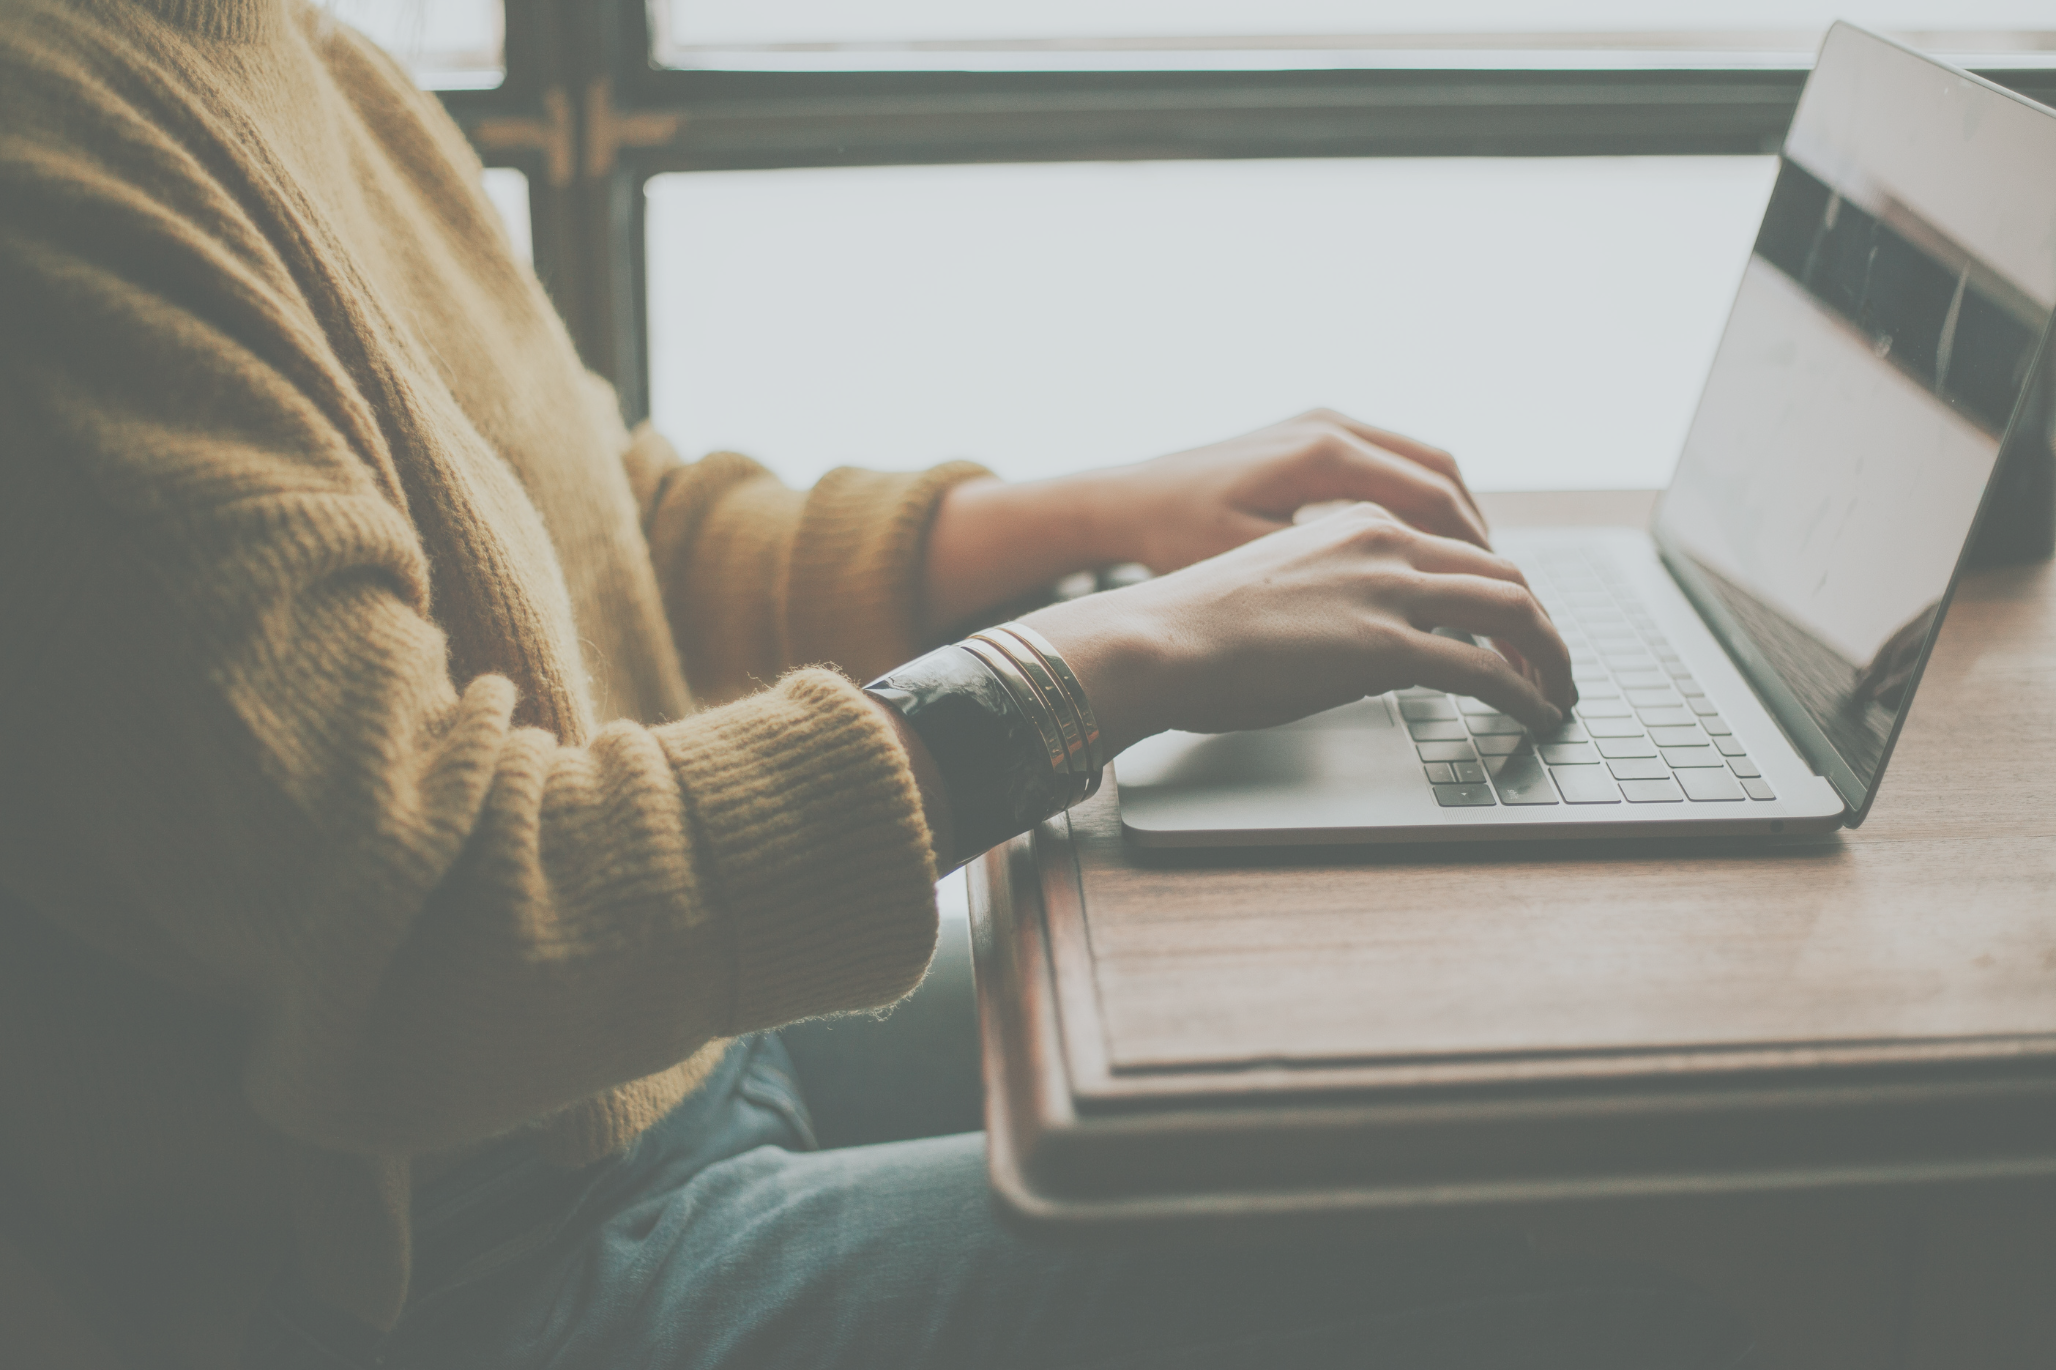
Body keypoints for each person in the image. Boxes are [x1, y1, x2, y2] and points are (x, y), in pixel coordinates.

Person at [0, 2, 1752, 1367]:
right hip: (455, 1275)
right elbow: (450, 919)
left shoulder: (275, 49)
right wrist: (1104, 661)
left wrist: (1091, 517)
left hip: (646, 1053)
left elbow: (603, 524)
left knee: (1434, 1040)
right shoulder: (53, 184)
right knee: (1568, 1267)